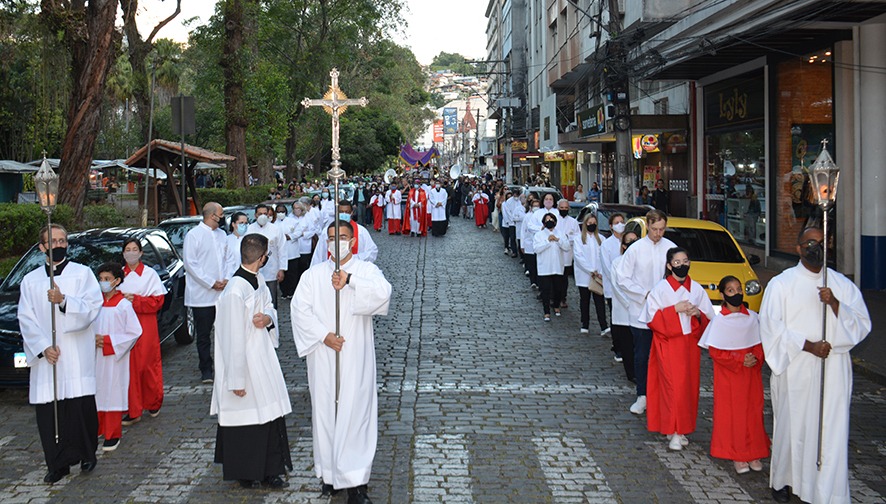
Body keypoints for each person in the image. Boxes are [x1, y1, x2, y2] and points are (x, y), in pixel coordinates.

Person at [759, 227, 871, 504]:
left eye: (821, 243)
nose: (815, 247)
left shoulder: (841, 285)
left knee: (829, 430)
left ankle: (825, 490)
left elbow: (861, 325)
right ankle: (784, 480)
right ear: (798, 248)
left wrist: (834, 304)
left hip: (833, 370)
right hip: (796, 367)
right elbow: (771, 328)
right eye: (809, 243)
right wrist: (808, 346)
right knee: (792, 424)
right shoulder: (782, 284)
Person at [292, 222, 392, 504]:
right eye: (333, 238)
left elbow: (383, 294)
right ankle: (329, 475)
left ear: (353, 240)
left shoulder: (366, 270)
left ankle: (357, 482)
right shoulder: (312, 276)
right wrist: (324, 336)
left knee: (355, 413)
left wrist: (349, 281)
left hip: (355, 355)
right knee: (325, 412)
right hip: (323, 355)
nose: (338, 242)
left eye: (343, 237)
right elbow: (299, 311)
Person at [18, 224, 103, 483]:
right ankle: (57, 464)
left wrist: (64, 301)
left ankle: (87, 455)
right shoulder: (31, 280)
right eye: (53, 241)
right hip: (49, 360)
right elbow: (25, 317)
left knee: (79, 409)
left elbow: (93, 307)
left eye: (63, 240)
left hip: (76, 355)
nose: (59, 245)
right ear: (42, 247)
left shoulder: (82, 273)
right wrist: (44, 347)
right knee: (50, 413)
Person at [211, 233, 292, 489]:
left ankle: (271, 469)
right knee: (246, 420)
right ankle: (247, 472)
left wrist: (267, 319)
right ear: (263, 257)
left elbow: (268, 306)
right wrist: (236, 378)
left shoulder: (257, 279)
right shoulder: (235, 291)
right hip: (243, 365)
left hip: (262, 357)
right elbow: (230, 338)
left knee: (269, 416)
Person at [640, 247, 714, 451]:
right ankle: (672, 429)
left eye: (685, 261)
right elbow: (652, 319)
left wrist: (697, 313)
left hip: (690, 346)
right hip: (668, 344)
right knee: (672, 388)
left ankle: (681, 428)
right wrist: (674, 310)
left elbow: (709, 320)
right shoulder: (660, 289)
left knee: (688, 388)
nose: (682, 265)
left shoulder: (697, 289)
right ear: (669, 265)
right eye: (677, 262)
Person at [698, 275, 770, 475]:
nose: (736, 293)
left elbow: (760, 343)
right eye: (731, 290)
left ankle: (754, 451)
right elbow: (716, 352)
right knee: (735, 415)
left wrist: (754, 357)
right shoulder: (719, 322)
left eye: (739, 289)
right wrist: (740, 359)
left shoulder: (753, 318)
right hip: (730, 377)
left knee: (754, 412)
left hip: (751, 374)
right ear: (722, 294)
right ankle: (738, 453)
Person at [613, 209, 677, 415]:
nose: (659, 233)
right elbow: (623, 278)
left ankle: (663, 395)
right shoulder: (636, 249)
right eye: (655, 229)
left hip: (666, 312)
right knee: (642, 355)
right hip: (641, 310)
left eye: (662, 229)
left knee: (665, 357)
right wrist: (644, 293)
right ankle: (643, 395)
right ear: (648, 226)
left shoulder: (671, 248)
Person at [93, 262, 142, 452]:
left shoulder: (123, 305)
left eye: (107, 279)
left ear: (117, 281)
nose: (103, 283)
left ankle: (113, 433)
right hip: (96, 356)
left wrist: (107, 342)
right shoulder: (96, 303)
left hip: (114, 357)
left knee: (112, 392)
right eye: (100, 279)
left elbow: (134, 332)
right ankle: (98, 428)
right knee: (97, 391)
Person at [118, 238, 167, 426]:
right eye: (127, 249)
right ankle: (133, 408)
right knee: (129, 367)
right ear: (123, 253)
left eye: (134, 249)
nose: (131, 253)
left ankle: (153, 401)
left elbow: (158, 301)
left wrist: (136, 300)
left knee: (147, 363)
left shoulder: (149, 274)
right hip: (122, 325)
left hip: (144, 322)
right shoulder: (118, 275)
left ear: (140, 252)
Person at [183, 202, 229, 383]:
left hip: (222, 293)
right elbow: (191, 264)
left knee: (224, 331)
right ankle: (206, 369)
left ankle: (225, 365)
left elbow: (228, 259)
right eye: (221, 214)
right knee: (203, 335)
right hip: (201, 296)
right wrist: (210, 283)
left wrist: (226, 279)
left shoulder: (222, 235)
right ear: (212, 216)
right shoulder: (193, 236)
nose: (223, 217)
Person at [311, 200, 378, 266]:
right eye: (341, 212)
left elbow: (372, 251)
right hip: (330, 268)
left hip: (354, 269)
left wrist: (355, 258)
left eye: (347, 212)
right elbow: (319, 254)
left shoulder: (361, 231)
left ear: (351, 213)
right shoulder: (327, 231)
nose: (344, 214)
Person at [247, 204, 288, 309]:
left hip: (271, 270)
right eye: (260, 214)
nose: (263, 216)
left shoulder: (275, 229)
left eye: (265, 214)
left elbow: (282, 249)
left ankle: (272, 322)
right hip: (254, 271)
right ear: (255, 215)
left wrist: (282, 269)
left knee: (272, 300)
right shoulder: (249, 229)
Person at [610, 231, 639, 382]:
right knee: (627, 344)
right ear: (624, 246)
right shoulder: (617, 263)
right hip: (624, 310)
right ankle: (631, 373)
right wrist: (631, 304)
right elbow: (617, 287)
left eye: (636, 240)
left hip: (641, 311)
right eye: (630, 241)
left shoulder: (643, 261)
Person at [573, 213, 606, 336]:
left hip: (598, 276)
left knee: (599, 301)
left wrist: (600, 272)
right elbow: (578, 256)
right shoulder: (579, 239)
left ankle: (603, 326)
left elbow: (604, 257)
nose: (592, 225)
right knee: (585, 300)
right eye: (589, 223)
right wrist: (591, 270)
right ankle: (584, 324)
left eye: (594, 223)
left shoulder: (601, 239)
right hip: (584, 275)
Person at [534, 212, 570, 322]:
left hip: (558, 266)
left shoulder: (560, 233)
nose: (549, 221)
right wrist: (547, 241)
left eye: (551, 219)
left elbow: (567, 247)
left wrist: (558, 240)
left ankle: (556, 306)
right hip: (545, 267)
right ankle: (546, 311)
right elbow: (536, 249)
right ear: (544, 222)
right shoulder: (539, 235)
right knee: (545, 290)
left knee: (558, 289)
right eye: (547, 219)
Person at [601, 213, 626, 355]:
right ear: (611, 226)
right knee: (616, 317)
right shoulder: (606, 244)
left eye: (622, 222)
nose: (620, 224)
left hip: (628, 289)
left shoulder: (629, 242)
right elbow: (607, 267)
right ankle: (618, 346)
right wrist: (619, 283)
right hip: (613, 287)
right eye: (616, 222)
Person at [556, 199, 580, 307]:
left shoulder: (573, 222)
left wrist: (567, 238)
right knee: (555, 277)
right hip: (555, 252)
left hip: (567, 253)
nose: (564, 210)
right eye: (562, 208)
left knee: (564, 278)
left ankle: (563, 298)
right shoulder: (554, 218)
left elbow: (577, 236)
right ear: (558, 208)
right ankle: (554, 297)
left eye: (566, 208)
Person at [521, 198, 541, 288]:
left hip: (539, 245)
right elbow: (523, 231)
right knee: (531, 264)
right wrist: (522, 245)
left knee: (538, 264)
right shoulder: (527, 216)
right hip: (529, 244)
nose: (536, 208)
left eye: (537, 206)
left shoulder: (542, 216)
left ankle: (538, 281)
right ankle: (533, 281)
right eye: (534, 206)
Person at [224, 212, 250, 279]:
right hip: (230, 277)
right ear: (233, 224)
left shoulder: (250, 239)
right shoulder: (226, 240)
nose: (244, 225)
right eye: (241, 223)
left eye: (246, 223)